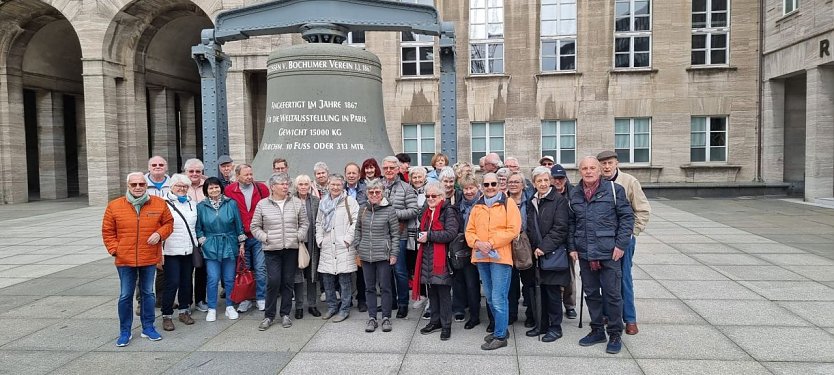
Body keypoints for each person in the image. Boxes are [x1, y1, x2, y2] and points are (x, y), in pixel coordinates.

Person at [569, 156, 634, 355]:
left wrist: (621, 245)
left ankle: (615, 333)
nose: (588, 171)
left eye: (592, 168)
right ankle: (597, 330)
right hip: (585, 253)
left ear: (599, 171)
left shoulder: (614, 190)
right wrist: (572, 247)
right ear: (580, 171)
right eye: (584, 168)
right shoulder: (575, 193)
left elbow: (627, 218)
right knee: (591, 294)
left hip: (609, 252)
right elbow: (571, 223)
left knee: (612, 295)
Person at [102, 172, 174, 347]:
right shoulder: (114, 206)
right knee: (125, 295)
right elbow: (108, 231)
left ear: (146, 185)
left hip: (148, 257)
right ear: (128, 186)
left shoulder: (158, 203)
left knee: (148, 293)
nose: (138, 187)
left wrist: (160, 234)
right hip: (124, 259)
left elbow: (169, 223)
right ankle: (125, 331)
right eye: (134, 184)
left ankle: (148, 327)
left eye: (141, 184)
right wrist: (115, 250)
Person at [597, 150, 651, 335]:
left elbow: (642, 210)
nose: (606, 167)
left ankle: (630, 319)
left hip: (623, 238)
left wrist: (631, 233)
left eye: (610, 163)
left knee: (624, 278)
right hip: (603, 239)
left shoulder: (629, 182)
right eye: (603, 163)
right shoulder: (597, 182)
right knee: (605, 278)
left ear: (616, 163)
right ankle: (608, 314)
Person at [465, 172, 521, 350]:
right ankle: (501, 328)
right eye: (486, 184)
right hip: (481, 257)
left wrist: (490, 243)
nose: (490, 187)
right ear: (482, 187)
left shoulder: (508, 203)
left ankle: (500, 336)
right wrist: (477, 243)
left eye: (493, 184)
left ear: (499, 185)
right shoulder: (477, 206)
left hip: (500, 258)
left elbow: (513, 229)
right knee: (489, 297)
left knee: (498, 298)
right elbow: (469, 231)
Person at [250, 173, 309, 330]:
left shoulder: (296, 202)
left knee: (288, 281)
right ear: (272, 187)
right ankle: (269, 316)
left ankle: (285, 314)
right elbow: (254, 226)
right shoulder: (263, 204)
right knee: (273, 281)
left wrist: (298, 236)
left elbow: (304, 223)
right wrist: (265, 237)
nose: (285, 186)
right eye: (281, 184)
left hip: (291, 248)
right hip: (271, 249)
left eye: (286, 184)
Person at [525, 166, 571, 342]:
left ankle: (555, 327)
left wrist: (543, 247)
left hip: (552, 254)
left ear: (550, 181)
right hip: (537, 254)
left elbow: (560, 229)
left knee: (553, 293)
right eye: (539, 181)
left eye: (546, 180)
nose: (543, 184)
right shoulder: (532, 200)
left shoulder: (559, 201)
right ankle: (542, 324)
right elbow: (531, 227)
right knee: (540, 292)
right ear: (534, 183)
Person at [196, 177, 246, 322]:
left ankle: (230, 306)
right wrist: (203, 241)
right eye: (211, 188)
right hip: (211, 245)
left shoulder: (231, 203)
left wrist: (241, 243)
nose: (214, 190)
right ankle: (212, 308)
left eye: (216, 187)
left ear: (221, 188)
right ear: (206, 190)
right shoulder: (201, 206)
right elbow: (198, 228)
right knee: (212, 278)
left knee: (229, 278)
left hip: (229, 243)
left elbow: (238, 224)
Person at [416, 182, 460, 341]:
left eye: (433, 195)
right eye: (427, 196)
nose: (430, 198)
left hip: (442, 258)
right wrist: (421, 235)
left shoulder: (448, 211)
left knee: (443, 293)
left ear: (441, 196)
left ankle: (446, 325)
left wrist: (429, 236)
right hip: (428, 256)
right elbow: (421, 229)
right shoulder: (426, 211)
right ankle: (435, 321)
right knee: (432, 291)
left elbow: (451, 233)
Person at [354, 179, 399, 333]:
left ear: (382, 193)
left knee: (385, 287)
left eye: (377, 192)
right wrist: (358, 245)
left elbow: (395, 234)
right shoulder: (363, 209)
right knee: (369, 288)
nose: (374, 194)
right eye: (371, 192)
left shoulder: (389, 210)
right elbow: (358, 229)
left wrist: (394, 253)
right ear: (367, 193)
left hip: (383, 255)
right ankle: (372, 317)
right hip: (366, 254)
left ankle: (386, 317)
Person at [225, 164, 269, 313]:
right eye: (246, 175)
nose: (250, 177)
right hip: (240, 236)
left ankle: (261, 297)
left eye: (251, 174)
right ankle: (246, 299)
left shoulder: (261, 189)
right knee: (244, 269)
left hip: (258, 235)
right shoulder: (230, 190)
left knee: (261, 268)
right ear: (238, 176)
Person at [316, 174, 359, 322]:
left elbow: (355, 222)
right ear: (328, 185)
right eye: (333, 184)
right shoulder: (323, 202)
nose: (335, 187)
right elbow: (319, 222)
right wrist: (320, 240)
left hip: (343, 246)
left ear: (343, 186)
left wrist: (347, 240)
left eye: (338, 185)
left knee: (344, 280)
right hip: (327, 245)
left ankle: (344, 309)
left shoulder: (350, 201)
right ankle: (332, 307)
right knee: (327, 280)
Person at [381, 155, 420, 318]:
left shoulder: (406, 188)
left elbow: (414, 210)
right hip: (381, 235)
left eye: (392, 168)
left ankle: (403, 303)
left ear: (398, 169)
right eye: (386, 168)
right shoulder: (378, 186)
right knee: (385, 272)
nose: (389, 170)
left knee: (400, 271)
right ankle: (390, 302)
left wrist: (392, 213)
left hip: (399, 234)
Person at [160, 174, 198, 331]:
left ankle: (184, 311)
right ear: (171, 187)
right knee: (172, 282)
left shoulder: (192, 203)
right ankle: (167, 315)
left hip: (189, 249)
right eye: (179, 186)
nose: (182, 189)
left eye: (185, 186)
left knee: (186, 282)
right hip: (171, 250)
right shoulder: (162, 204)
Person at [452, 173, 482, 329]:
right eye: (466, 189)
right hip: (462, 247)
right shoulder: (459, 205)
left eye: (471, 188)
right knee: (460, 280)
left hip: (478, 246)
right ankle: (461, 309)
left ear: (477, 188)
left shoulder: (483, 204)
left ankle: (475, 314)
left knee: (473, 283)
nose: (469, 191)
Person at [550, 164, 577, 319]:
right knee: (553, 273)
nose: (558, 181)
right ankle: (554, 304)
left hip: (569, 239)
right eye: (555, 178)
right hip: (553, 239)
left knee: (570, 275)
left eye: (561, 178)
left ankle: (570, 305)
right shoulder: (547, 192)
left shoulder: (574, 193)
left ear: (565, 179)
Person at [507, 171, 533, 328]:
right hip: (507, 245)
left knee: (529, 282)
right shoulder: (503, 201)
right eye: (511, 182)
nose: (513, 184)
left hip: (525, 245)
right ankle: (511, 314)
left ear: (523, 185)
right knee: (511, 283)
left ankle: (530, 315)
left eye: (517, 182)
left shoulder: (530, 201)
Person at [294, 174, 322, 318]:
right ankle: (299, 306)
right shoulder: (291, 200)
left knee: (312, 275)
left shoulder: (316, 201)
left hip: (312, 242)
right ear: (296, 186)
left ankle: (312, 305)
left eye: (306, 184)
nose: (303, 187)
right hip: (296, 243)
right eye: (301, 184)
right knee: (297, 276)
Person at [344, 162, 368, 312]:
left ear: (359, 175)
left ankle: (362, 299)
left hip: (361, 231)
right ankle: (346, 299)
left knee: (361, 268)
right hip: (343, 232)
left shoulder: (365, 190)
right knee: (345, 268)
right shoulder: (340, 189)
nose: (351, 175)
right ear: (345, 175)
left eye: (354, 173)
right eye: (349, 173)